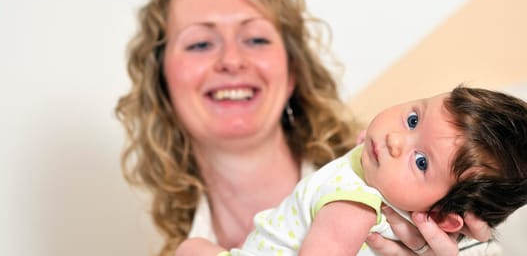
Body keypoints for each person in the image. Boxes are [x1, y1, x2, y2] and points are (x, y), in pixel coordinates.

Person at [115, 0, 497, 256]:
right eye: (200, 44)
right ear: (161, 81)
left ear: (292, 70)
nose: (231, 61)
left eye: (256, 40)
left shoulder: (437, 206)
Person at [174, 86, 527, 256]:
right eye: (413, 119)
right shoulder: (376, 173)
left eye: (421, 162)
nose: (394, 140)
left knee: (191, 250)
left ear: (442, 216)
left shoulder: (353, 206)